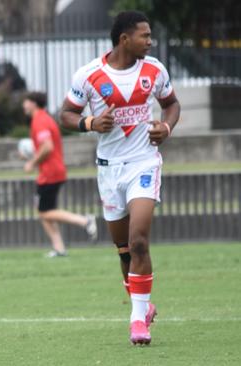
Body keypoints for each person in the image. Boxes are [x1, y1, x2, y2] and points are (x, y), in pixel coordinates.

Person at [59, 11, 180, 345]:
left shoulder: (154, 70)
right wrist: (90, 123)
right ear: (125, 39)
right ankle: (143, 307)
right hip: (109, 169)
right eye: (145, 35)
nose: (150, 41)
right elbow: (65, 115)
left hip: (143, 163)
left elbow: (172, 105)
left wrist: (165, 127)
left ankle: (137, 323)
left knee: (139, 240)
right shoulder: (90, 75)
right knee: (124, 249)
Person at [21, 91, 97, 257]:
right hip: (52, 170)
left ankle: (84, 221)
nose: (23, 105)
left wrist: (31, 162)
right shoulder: (43, 118)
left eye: (26, 102)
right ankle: (59, 248)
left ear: (33, 103)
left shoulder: (39, 120)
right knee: (45, 210)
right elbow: (45, 145)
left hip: (50, 172)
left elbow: (47, 146)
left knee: (44, 212)